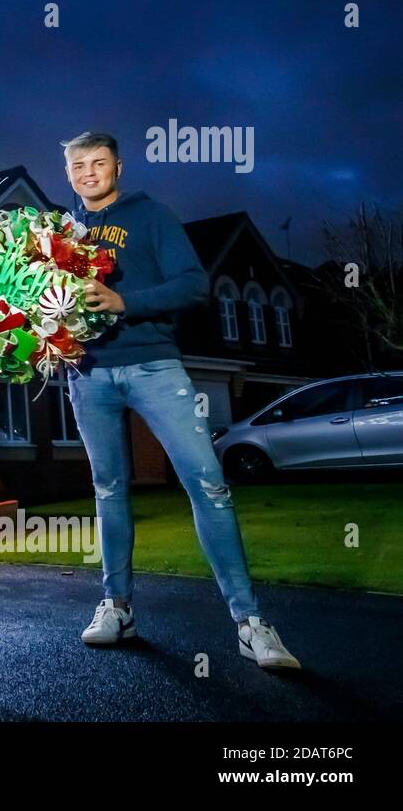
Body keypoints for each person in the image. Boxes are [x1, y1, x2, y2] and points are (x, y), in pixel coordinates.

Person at [61, 131, 300, 670]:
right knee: (108, 487)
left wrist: (126, 301)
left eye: (98, 163)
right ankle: (117, 608)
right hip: (88, 372)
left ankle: (250, 624)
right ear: (69, 172)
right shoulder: (62, 230)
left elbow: (195, 285)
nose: (88, 173)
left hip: (153, 364)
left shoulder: (153, 217)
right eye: (78, 165)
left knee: (208, 481)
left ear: (118, 167)